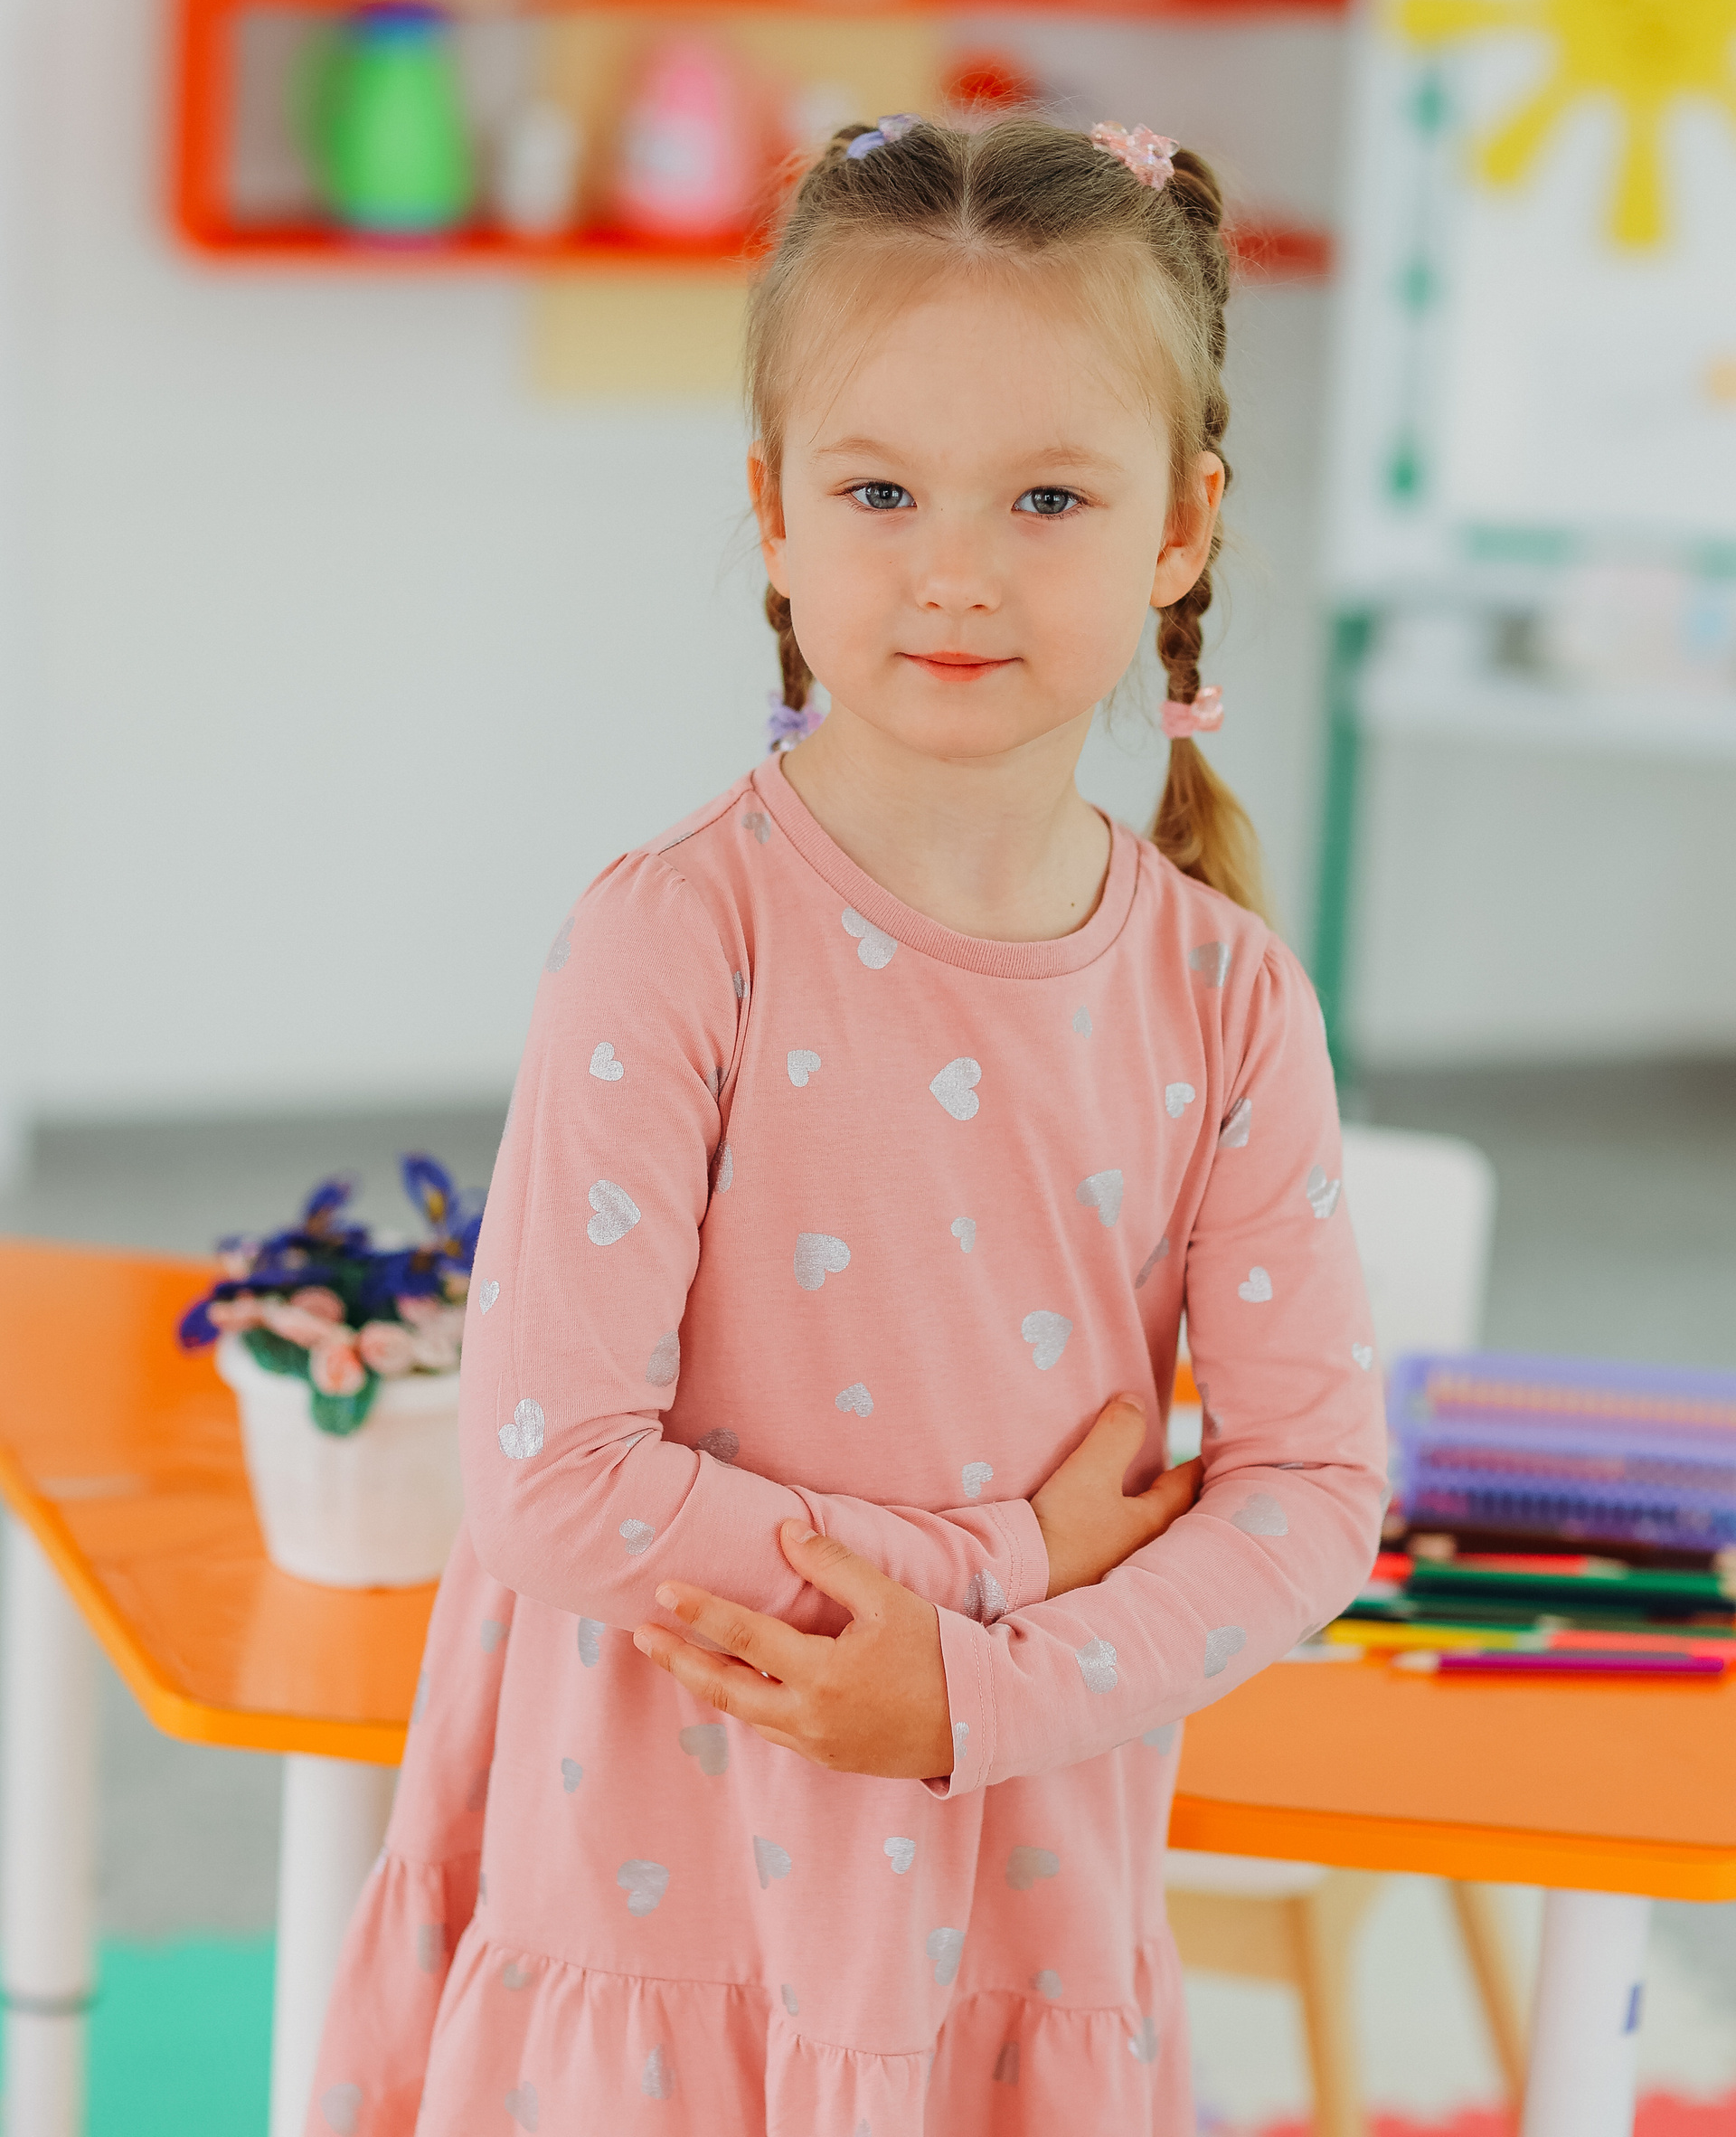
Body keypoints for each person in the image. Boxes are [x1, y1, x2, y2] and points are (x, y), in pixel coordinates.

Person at [307, 115, 1385, 2136]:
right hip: (668, 1892)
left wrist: (974, 1695)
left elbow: (1312, 1492)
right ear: (774, 514)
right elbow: (552, 1481)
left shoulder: (1232, 1000)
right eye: (880, 490)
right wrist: (998, 1562)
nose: (955, 570)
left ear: (1183, 527)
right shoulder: (674, 940)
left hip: (1019, 1906)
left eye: (1050, 495)